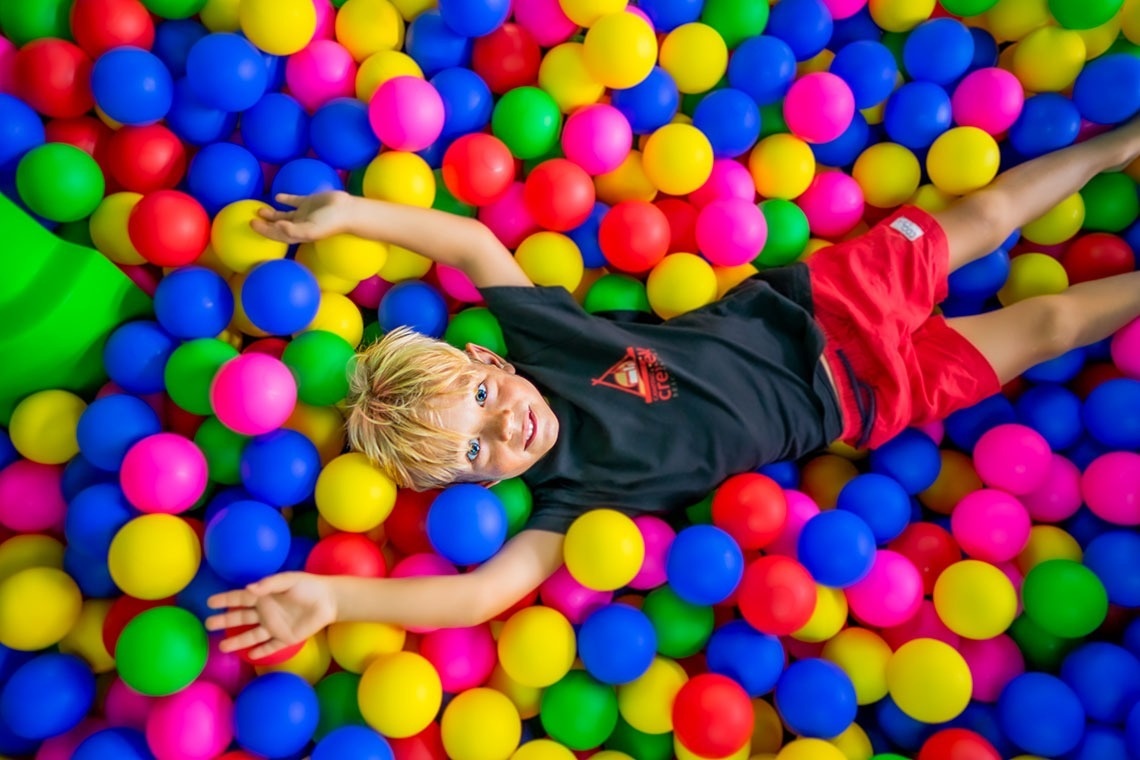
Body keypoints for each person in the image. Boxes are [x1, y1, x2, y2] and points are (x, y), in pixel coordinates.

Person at [207, 118, 1140, 661]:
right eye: (476, 453)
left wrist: (353, 212)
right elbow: (474, 598)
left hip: (823, 305)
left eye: (486, 406)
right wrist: (336, 602)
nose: (507, 432)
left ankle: (1120, 143)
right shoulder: (576, 500)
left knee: (979, 214)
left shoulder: (548, 340)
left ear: (492, 367)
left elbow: (464, 243)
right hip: (862, 400)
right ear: (476, 487)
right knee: (1050, 327)